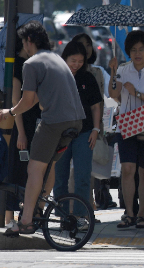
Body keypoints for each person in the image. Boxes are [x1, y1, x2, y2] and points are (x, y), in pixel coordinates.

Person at [0, 21, 84, 236]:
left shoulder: (31, 63)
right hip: (76, 121)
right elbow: (37, 99)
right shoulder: (57, 59)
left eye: (24, 42)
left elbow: (27, 101)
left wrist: (10, 112)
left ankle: (26, 221)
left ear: (29, 41)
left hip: (55, 122)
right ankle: (39, 208)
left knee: (34, 169)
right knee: (48, 165)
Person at [108, 30, 144, 229]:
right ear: (128, 52)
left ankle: (142, 213)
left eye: (141, 49)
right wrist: (113, 72)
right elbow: (114, 94)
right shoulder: (123, 69)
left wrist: (138, 93)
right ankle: (129, 213)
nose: (138, 53)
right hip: (126, 123)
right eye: (133, 50)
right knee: (127, 169)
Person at [53, 41, 103, 221]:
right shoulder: (57, 76)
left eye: (80, 61)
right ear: (64, 58)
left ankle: (81, 217)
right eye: (72, 60)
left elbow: (96, 106)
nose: (76, 64)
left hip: (84, 132)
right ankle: (62, 216)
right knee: (60, 178)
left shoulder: (88, 78)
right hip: (60, 134)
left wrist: (96, 129)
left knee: (83, 176)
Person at [5, 36, 41, 228]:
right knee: (17, 172)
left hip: (33, 124)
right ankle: (10, 218)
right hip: (22, 126)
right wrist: (21, 133)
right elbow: (15, 101)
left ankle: (23, 215)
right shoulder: (19, 66)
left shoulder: (30, 64)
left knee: (28, 172)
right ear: (26, 43)